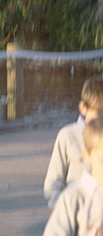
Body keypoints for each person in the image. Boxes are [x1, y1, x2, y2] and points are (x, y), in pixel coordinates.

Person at [44, 75, 103, 209]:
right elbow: (52, 184)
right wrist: (65, 211)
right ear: (83, 107)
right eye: (98, 113)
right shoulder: (67, 136)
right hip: (74, 215)